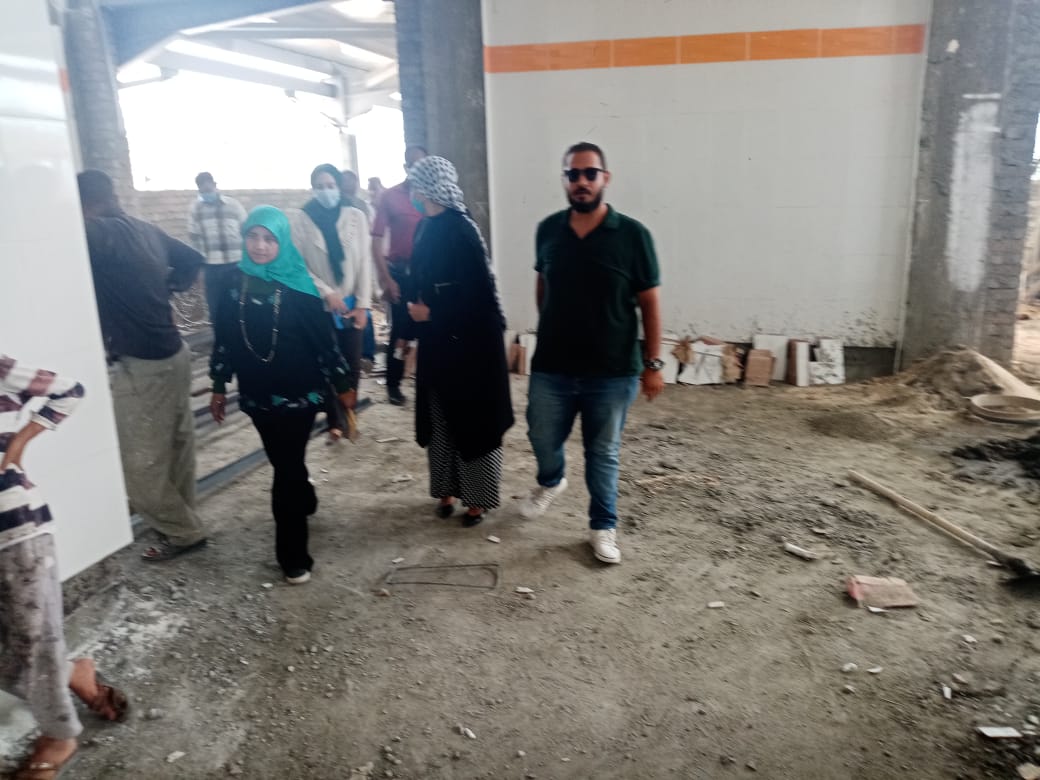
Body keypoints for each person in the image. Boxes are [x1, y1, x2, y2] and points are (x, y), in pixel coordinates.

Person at [520, 142, 664, 565]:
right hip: (553, 365)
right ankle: (551, 481)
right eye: (573, 174)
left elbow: (650, 303)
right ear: (564, 180)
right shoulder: (548, 230)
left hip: (612, 370)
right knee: (541, 435)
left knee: (602, 452)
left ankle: (603, 527)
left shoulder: (633, 235)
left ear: (605, 178)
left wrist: (653, 364)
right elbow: (543, 287)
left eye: (589, 173)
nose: (581, 181)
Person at [210, 206, 354, 584]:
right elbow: (224, 339)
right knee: (285, 461)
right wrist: (218, 385)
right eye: (253, 237)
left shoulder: (300, 287)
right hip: (256, 395)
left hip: (299, 394)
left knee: (285, 469)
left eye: (269, 239)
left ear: (283, 242)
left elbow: (325, 343)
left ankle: (292, 556)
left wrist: (343, 386)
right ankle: (304, 496)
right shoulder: (231, 283)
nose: (260, 246)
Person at [1, 355, 128, 780]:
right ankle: (72, 672)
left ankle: (59, 735)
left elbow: (70, 390)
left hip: (13, 531)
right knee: (18, 650)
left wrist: (20, 442)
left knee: (33, 644)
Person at [77, 170, 209, 562]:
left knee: (137, 465)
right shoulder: (146, 230)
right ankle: (182, 517)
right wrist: (167, 286)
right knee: (177, 446)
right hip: (174, 354)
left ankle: (184, 531)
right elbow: (193, 260)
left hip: (142, 365)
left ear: (83, 203)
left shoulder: (96, 233)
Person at [405, 156, 513, 527]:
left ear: (430, 188)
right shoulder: (425, 227)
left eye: (417, 186)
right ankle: (446, 491)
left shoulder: (462, 230)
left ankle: (477, 501)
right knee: (440, 418)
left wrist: (433, 312)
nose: (414, 193)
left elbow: (479, 299)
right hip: (438, 344)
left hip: (472, 347)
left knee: (473, 420)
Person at [288, 164, 372, 443]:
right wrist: (326, 292)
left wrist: (363, 305)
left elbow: (365, 263)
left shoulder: (356, 216)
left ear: (338, 186)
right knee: (325, 365)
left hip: (351, 304)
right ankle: (335, 422)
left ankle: (350, 414)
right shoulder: (302, 219)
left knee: (351, 363)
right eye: (320, 186)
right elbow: (298, 265)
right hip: (319, 306)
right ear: (313, 189)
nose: (326, 191)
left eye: (331, 185)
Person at [371, 146, 427, 405]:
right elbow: (376, 241)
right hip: (400, 275)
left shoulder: (433, 197)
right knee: (400, 332)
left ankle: (428, 385)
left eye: (422, 164)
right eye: (412, 165)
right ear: (405, 167)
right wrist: (386, 279)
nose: (417, 170)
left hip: (427, 275)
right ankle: (393, 384)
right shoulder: (390, 197)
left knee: (428, 329)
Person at [187, 172, 248, 325]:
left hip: (235, 265)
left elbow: (246, 231)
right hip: (211, 267)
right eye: (203, 190)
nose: (206, 192)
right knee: (215, 309)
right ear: (199, 190)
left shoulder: (234, 205)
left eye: (209, 188)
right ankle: (220, 337)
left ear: (215, 185)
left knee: (237, 306)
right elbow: (194, 240)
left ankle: (239, 337)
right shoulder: (195, 209)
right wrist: (198, 270)